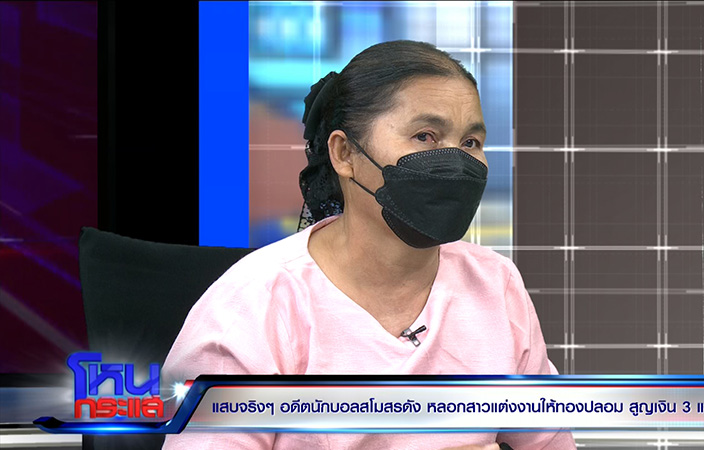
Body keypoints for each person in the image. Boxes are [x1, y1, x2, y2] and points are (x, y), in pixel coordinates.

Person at [162, 40, 576, 450]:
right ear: (344, 153)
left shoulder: (495, 283)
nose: (456, 162)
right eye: (425, 136)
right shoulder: (252, 309)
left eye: (471, 142)